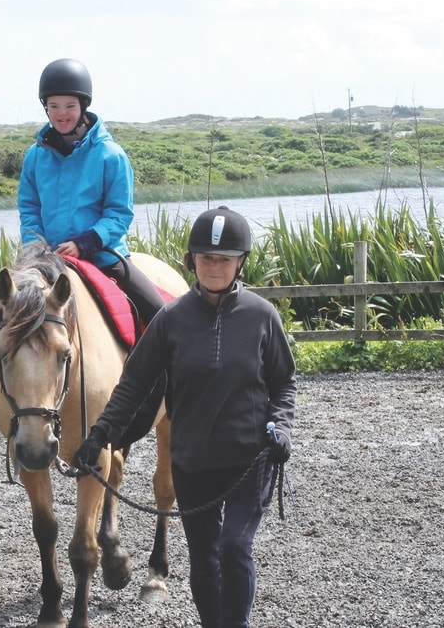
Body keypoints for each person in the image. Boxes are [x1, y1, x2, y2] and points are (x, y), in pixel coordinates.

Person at [74, 206, 297, 628]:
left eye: (224, 259)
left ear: (240, 263)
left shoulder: (261, 316)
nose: (215, 267)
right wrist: (100, 434)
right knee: (203, 560)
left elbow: (283, 382)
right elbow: (134, 384)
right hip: (193, 458)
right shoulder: (171, 319)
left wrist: (282, 427)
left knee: (234, 546)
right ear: (192, 260)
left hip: (250, 456)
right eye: (206, 258)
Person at [0, 57, 166, 439]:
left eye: (69, 106)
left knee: (159, 311)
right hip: (45, 260)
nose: (61, 114)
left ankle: (168, 393)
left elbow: (119, 213)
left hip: (101, 255)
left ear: (83, 107)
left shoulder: (111, 156)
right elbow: (29, 206)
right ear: (45, 107)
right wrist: (35, 242)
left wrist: (87, 241)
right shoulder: (35, 155)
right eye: (54, 106)